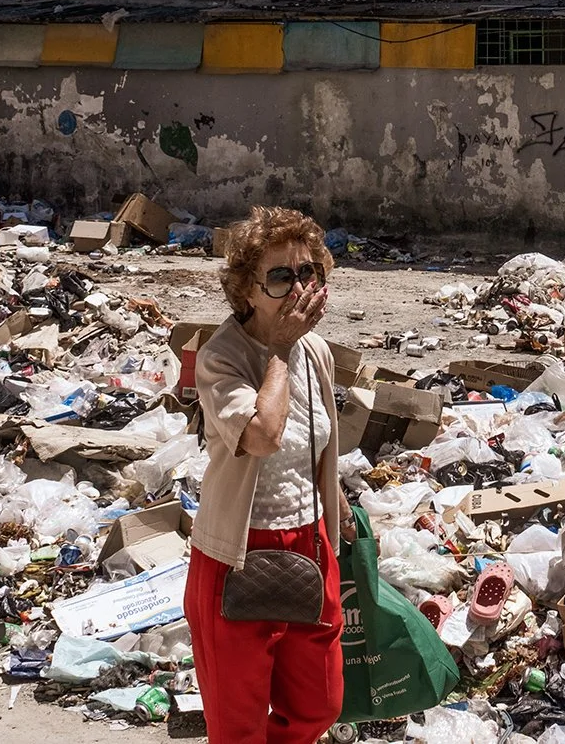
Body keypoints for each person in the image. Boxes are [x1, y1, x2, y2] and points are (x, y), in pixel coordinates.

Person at [187, 206, 354, 744]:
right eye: (281, 277)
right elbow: (262, 435)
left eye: (310, 274)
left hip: (309, 542)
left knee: (318, 706)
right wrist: (279, 349)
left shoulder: (318, 352)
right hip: (235, 553)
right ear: (248, 291)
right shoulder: (222, 358)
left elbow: (316, 439)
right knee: (238, 726)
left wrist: (339, 507)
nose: (299, 288)